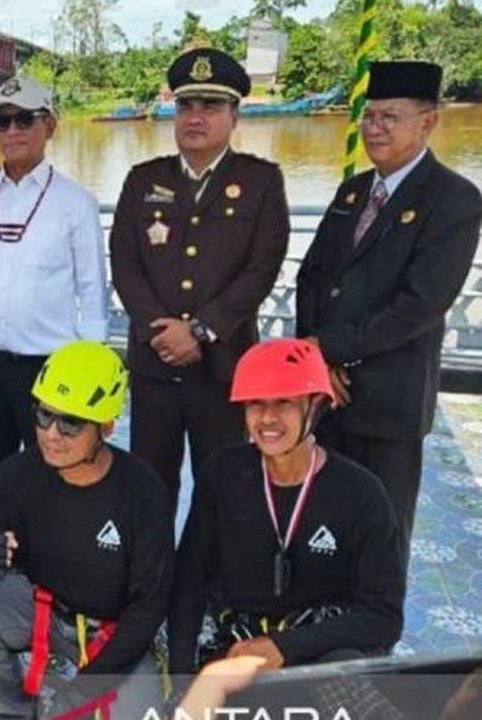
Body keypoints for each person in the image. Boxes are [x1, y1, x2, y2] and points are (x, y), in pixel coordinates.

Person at [295, 60, 482, 564]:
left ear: (428, 122)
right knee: (321, 520)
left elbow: (419, 306)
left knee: (381, 530)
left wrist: (329, 348)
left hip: (389, 400)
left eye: (390, 117)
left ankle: (375, 614)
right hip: (326, 395)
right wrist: (315, 360)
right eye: (370, 116)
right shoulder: (353, 192)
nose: (375, 128)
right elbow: (311, 277)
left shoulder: (454, 200)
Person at [0, 340, 171, 720]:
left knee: (138, 711)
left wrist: (82, 691)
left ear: (106, 427)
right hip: (43, 612)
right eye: (44, 415)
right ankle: (9, 712)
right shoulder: (16, 475)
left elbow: (149, 606)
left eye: (70, 422)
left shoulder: (142, 490)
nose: (51, 434)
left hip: (113, 632)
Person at [109, 47, 290, 513]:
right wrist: (160, 330)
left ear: (234, 116)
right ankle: (153, 562)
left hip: (224, 366)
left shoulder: (261, 182)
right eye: (186, 105)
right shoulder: (142, 179)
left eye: (210, 106)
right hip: (156, 363)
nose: (195, 117)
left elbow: (262, 268)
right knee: (149, 486)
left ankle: (215, 564)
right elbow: (125, 261)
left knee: (225, 487)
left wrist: (200, 330)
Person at [168, 338, 403, 680]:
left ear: (317, 404)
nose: (267, 418)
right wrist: (180, 677)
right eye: (255, 403)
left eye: (284, 403)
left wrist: (284, 647)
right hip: (237, 643)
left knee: (346, 678)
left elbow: (384, 617)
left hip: (318, 648)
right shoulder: (223, 472)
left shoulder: (361, 493)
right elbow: (190, 577)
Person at [0, 75, 108, 496]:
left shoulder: (76, 204)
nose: (12, 131)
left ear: (49, 125)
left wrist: (93, 381)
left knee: (53, 481)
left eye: (24, 119)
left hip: (50, 368)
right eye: (2, 121)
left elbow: (93, 297)